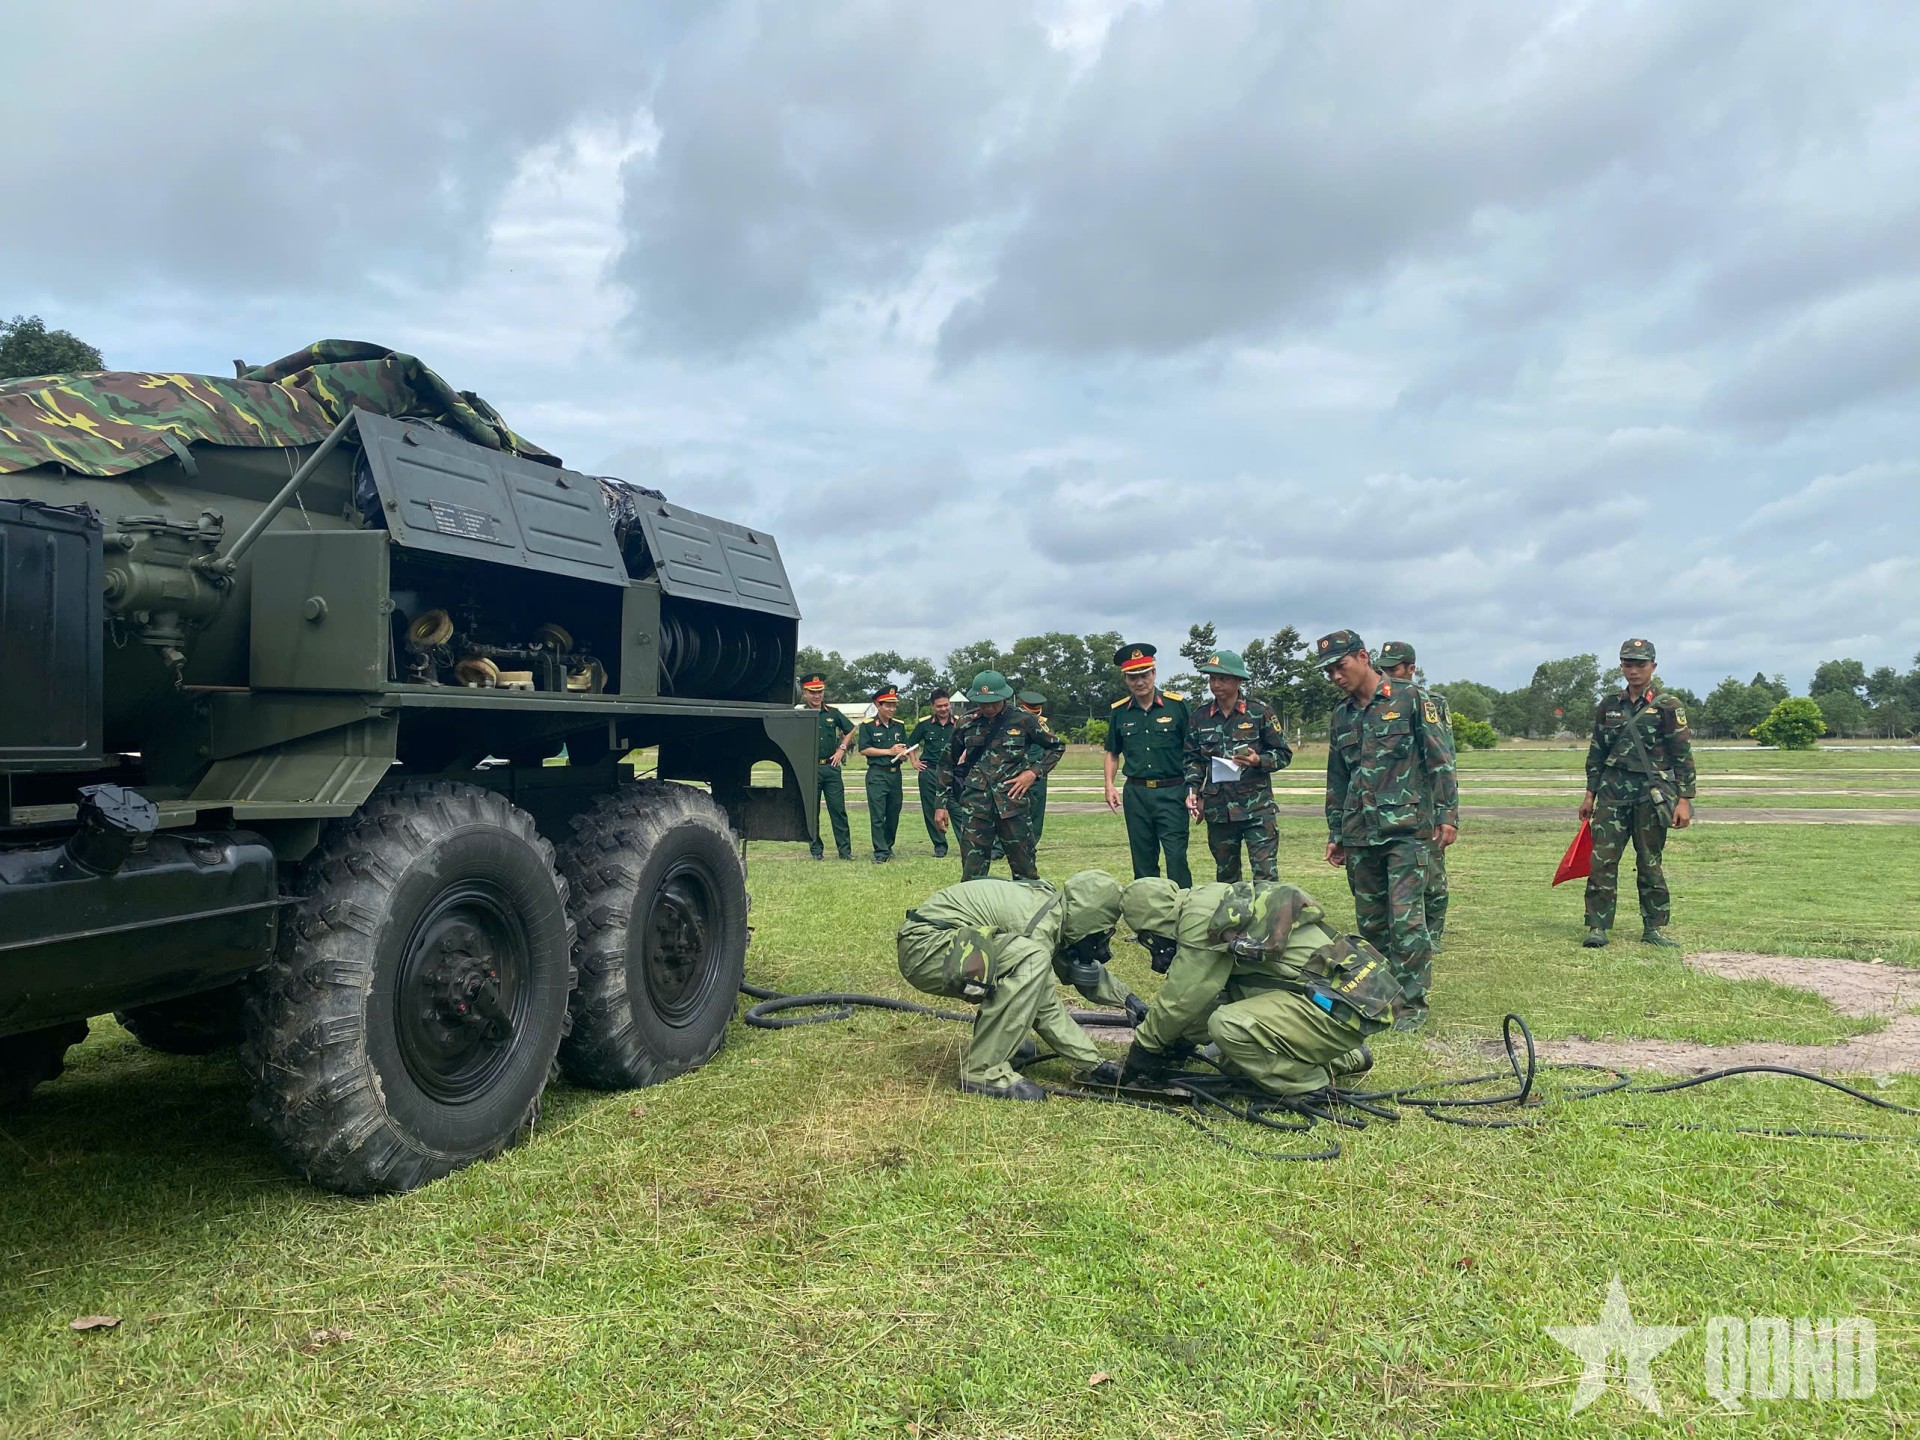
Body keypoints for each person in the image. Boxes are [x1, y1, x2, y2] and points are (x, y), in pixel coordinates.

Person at [1090, 878, 1396, 1102]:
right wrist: (1177, 1042)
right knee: (1237, 1061)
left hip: (1334, 1005)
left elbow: (1183, 998)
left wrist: (1144, 1049)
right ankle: (1347, 1058)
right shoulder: (1212, 899)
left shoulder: (1198, 921)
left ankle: (1308, 1085)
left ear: (1152, 924)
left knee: (1228, 1027)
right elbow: (1210, 997)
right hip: (1349, 998)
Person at [1317, 630, 1458, 1027]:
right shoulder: (1341, 715)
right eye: (1328, 671)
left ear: (1363, 657)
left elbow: (1440, 760)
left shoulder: (1413, 699)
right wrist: (1336, 833)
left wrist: (1448, 814)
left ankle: (1411, 1007)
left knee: (1407, 920)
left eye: (1340, 667)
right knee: (1372, 921)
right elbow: (1337, 779)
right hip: (1360, 831)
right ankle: (1378, 998)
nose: (1335, 677)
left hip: (1408, 830)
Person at [896, 871, 1126, 1100]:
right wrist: (1094, 1064)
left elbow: (1074, 968)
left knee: (1025, 959)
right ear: (1089, 919)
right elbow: (1044, 1007)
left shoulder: (1052, 908)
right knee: (1030, 959)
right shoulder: (1037, 926)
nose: (1101, 942)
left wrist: (1128, 1000)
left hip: (938, 942)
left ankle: (1001, 1043)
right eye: (1101, 933)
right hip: (926, 949)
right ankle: (983, 1073)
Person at [1580, 638, 1696, 948]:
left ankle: (1654, 927)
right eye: (1628, 664)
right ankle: (1598, 926)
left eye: (1640, 664)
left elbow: (1682, 754)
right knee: (1602, 861)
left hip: (1651, 794)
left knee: (1649, 861)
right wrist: (1590, 794)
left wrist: (1684, 800)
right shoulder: (1608, 705)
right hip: (1612, 794)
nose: (1633, 670)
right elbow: (1596, 753)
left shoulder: (1668, 705)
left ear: (1653, 667)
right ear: (1621, 667)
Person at [934, 671, 1066, 880]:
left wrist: (1033, 773)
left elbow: (1056, 746)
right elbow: (946, 763)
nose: (989, 708)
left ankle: (1028, 910)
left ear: (1004, 697)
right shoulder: (966, 723)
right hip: (976, 808)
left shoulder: (1023, 720)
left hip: (1013, 806)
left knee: (1026, 872)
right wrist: (940, 805)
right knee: (972, 874)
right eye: (983, 703)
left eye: (994, 702)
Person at [1183, 648, 1292, 882]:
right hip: (1219, 810)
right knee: (1226, 877)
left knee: (1265, 875)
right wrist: (1193, 792)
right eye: (1212, 679)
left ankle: (1267, 919)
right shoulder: (1199, 717)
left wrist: (1257, 760)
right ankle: (1233, 919)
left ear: (1238, 680)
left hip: (1257, 809)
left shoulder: (1259, 712)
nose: (1216, 684)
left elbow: (1283, 753)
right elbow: (1193, 760)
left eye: (1222, 678)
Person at [1376, 640, 1451, 949]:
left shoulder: (1431, 702)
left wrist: (1446, 808)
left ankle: (1432, 933)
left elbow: (1444, 756)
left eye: (1394, 670)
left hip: (1426, 801)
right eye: (1384, 670)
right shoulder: (1376, 704)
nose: (1388, 676)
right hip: (1392, 804)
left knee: (1432, 873)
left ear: (1411, 669)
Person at [1102, 643, 1193, 886]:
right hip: (1137, 793)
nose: (1139, 682)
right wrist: (1109, 786)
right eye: (1133, 677)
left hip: (1172, 791)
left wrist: (1195, 789)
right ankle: (1148, 913)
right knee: (1142, 858)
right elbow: (1112, 752)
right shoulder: (1119, 712)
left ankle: (1183, 908)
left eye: (1144, 675)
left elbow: (1193, 750)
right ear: (1125, 679)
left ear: (1154, 673)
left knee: (1176, 856)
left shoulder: (1177, 706)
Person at [800, 672, 855, 860]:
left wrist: (841, 749)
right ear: (804, 692)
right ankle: (816, 851)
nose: (817, 696)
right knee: (811, 812)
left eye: (820, 692)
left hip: (831, 768)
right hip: (810, 769)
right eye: (812, 692)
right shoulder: (799, 713)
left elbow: (850, 729)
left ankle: (845, 851)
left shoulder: (833, 713)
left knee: (838, 810)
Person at [857, 686, 910, 863]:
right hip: (877, 774)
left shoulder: (899, 726)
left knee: (893, 812)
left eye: (894, 705)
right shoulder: (868, 726)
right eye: (888, 705)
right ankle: (880, 851)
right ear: (878, 705)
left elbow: (903, 748)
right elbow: (864, 749)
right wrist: (888, 751)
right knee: (878, 814)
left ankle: (888, 845)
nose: (892, 709)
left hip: (895, 774)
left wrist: (903, 755)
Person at [907, 687, 959, 857]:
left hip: (953, 771)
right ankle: (940, 846)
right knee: (931, 809)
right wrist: (914, 761)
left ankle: (966, 843)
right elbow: (910, 745)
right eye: (939, 706)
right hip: (930, 770)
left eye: (946, 705)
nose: (943, 709)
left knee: (957, 807)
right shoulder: (924, 725)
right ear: (933, 707)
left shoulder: (959, 723)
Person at [1016, 691, 1055, 845]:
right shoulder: (1014, 723)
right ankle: (1000, 847)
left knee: (1036, 809)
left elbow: (1053, 747)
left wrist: (1040, 769)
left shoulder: (1043, 726)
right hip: (1016, 771)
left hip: (1037, 772)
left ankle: (1031, 843)